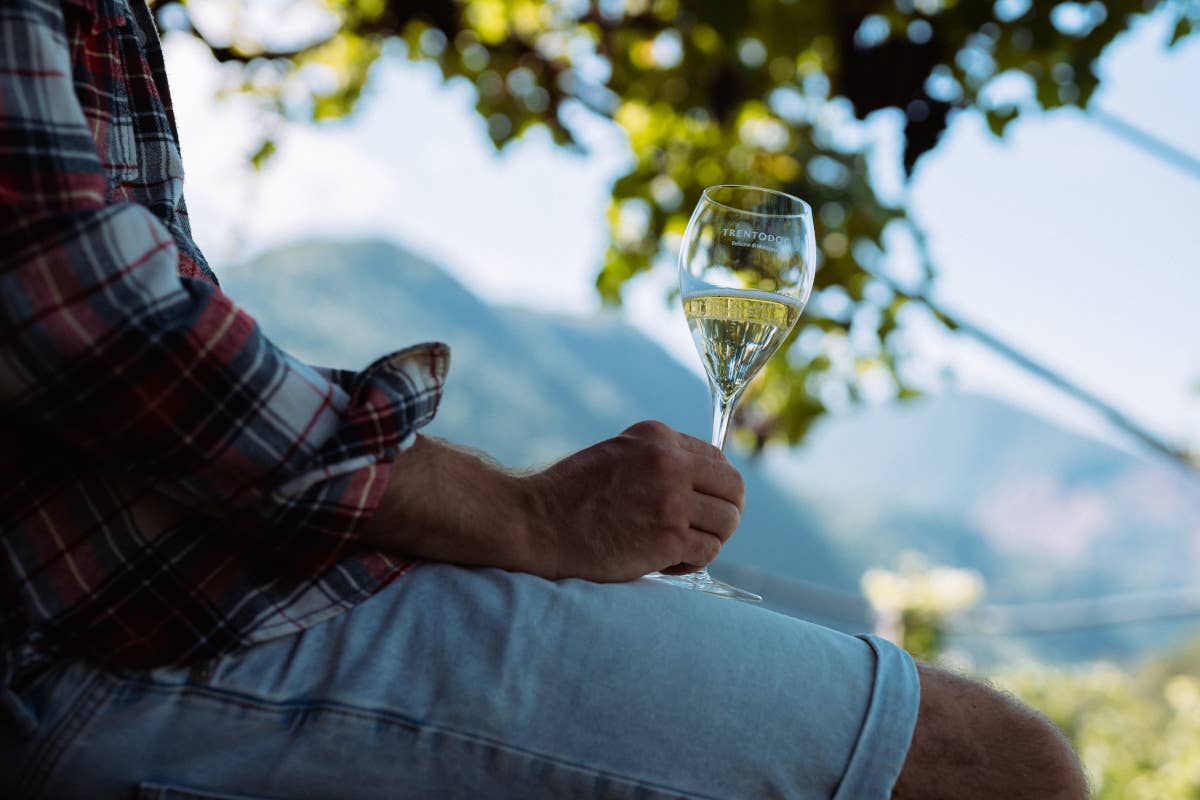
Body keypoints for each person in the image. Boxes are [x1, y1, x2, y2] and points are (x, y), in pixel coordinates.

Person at [0, 0, 1088, 797]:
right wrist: (531, 515)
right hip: (119, 636)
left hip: (191, 595)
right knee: (999, 763)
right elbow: (97, 318)